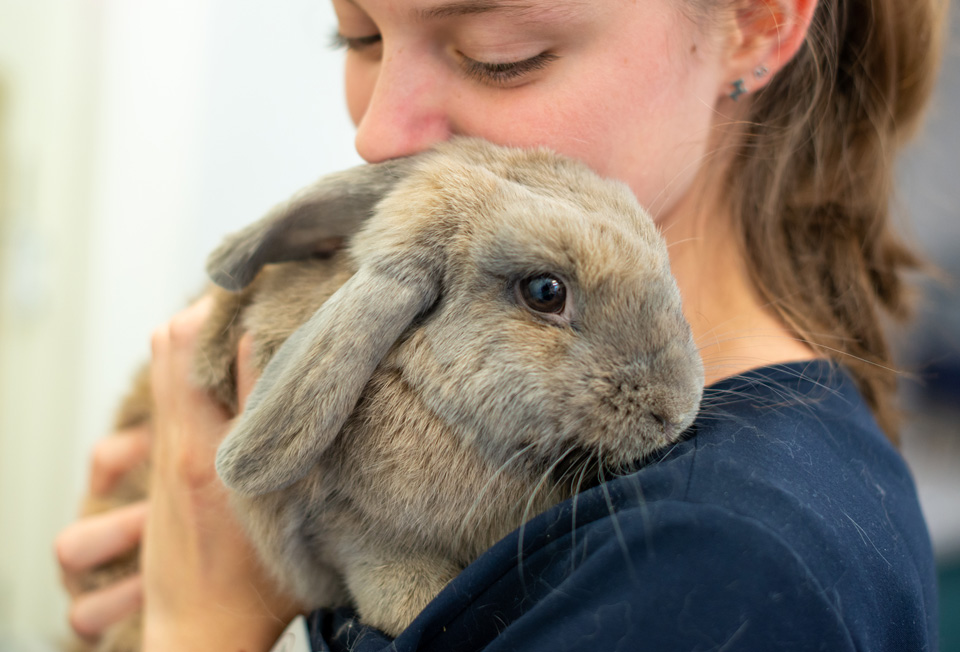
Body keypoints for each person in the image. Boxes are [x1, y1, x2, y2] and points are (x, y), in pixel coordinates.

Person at [55, 0, 945, 649]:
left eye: (501, 54)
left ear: (754, 21)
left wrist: (202, 617)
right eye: (358, 35)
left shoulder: (714, 567)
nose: (378, 134)